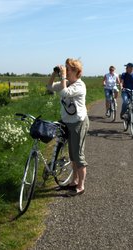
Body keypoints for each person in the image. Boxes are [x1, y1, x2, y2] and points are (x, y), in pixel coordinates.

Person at [47, 58, 89, 197]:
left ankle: (81, 186)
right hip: (67, 123)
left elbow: (65, 93)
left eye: (68, 69)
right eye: (65, 69)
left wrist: (63, 76)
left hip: (78, 122)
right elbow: (50, 87)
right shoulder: (67, 83)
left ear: (77, 71)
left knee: (78, 156)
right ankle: (73, 181)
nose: (65, 72)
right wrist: (55, 73)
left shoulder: (79, 85)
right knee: (72, 156)